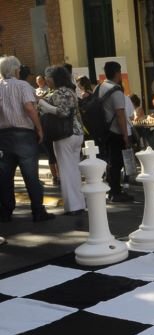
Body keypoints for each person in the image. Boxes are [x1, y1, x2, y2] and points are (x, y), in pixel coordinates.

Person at [0, 56, 55, 222]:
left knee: (4, 176)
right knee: (31, 175)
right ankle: (38, 211)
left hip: (3, 136)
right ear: (16, 70)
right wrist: (39, 128)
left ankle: (5, 211)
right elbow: (29, 107)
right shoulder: (23, 85)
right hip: (23, 134)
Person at [38, 65, 86, 216]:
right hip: (77, 133)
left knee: (65, 171)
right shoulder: (71, 91)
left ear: (54, 79)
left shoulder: (59, 92)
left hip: (63, 135)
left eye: (48, 78)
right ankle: (79, 203)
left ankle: (72, 206)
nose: (47, 80)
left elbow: (62, 112)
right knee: (74, 169)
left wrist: (43, 104)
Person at [99, 61, 133, 202]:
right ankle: (115, 192)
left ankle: (113, 189)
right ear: (118, 73)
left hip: (104, 130)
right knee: (117, 162)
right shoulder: (116, 90)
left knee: (111, 162)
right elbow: (120, 114)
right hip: (115, 131)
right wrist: (125, 135)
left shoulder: (101, 86)